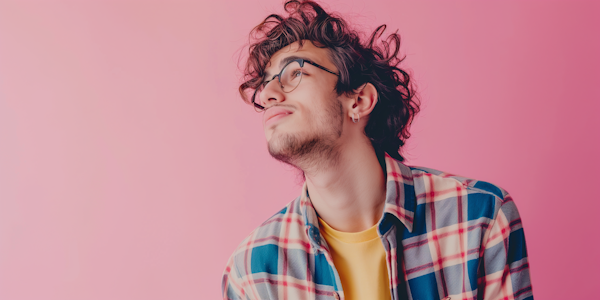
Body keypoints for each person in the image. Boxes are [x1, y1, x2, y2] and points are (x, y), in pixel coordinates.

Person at [221, 1, 533, 299]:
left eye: (296, 72)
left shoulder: (480, 218)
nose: (270, 93)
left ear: (358, 101)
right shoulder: (251, 273)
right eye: (267, 84)